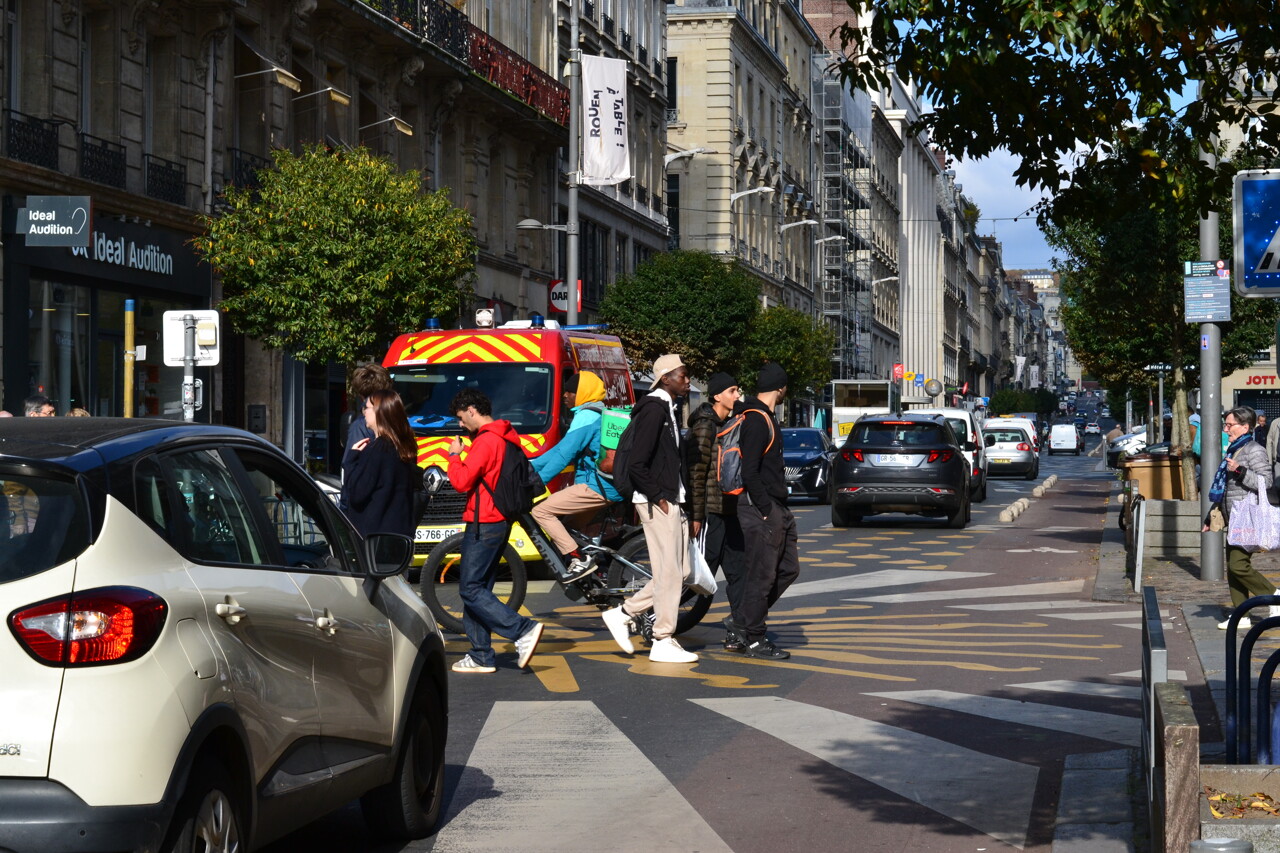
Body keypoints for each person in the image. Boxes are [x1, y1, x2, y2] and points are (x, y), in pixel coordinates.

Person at [600, 354, 697, 664]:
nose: (688, 380)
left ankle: (624, 613)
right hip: (658, 501)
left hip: (670, 498)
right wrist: (659, 496)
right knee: (669, 572)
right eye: (683, 375)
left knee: (680, 571)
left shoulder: (667, 408)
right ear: (666, 378)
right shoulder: (654, 410)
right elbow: (639, 463)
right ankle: (662, 638)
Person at [445, 388, 544, 673]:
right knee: (479, 587)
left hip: (484, 520)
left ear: (472, 410)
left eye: (462, 418)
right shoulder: (505, 435)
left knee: (471, 588)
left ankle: (522, 629)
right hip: (499, 519)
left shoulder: (486, 442)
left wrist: (454, 456)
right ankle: (480, 655)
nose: (461, 424)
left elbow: (462, 481)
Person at [735, 362, 800, 659]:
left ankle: (743, 622)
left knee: (788, 569)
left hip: (776, 505)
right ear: (780, 388)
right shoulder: (757, 420)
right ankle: (754, 637)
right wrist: (765, 510)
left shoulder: (766, 417)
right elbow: (749, 470)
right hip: (762, 507)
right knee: (762, 576)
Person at [530, 371, 621, 582]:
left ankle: (579, 560)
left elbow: (564, 455)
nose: (565, 395)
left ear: (582, 393)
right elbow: (559, 450)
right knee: (567, 529)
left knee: (541, 511)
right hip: (602, 485)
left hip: (597, 486)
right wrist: (530, 467)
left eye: (570, 391)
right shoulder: (595, 413)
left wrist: (536, 483)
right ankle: (599, 569)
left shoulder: (587, 416)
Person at [685, 372, 748, 651]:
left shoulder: (727, 423)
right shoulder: (706, 425)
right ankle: (651, 615)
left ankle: (739, 630)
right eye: (733, 391)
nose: (737, 396)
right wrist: (696, 516)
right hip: (710, 512)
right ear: (717, 395)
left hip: (728, 510)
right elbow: (696, 473)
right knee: (699, 575)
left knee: (737, 572)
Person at [1206, 406, 1279, 629]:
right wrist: (1213, 515)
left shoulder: (1253, 450)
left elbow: (1265, 482)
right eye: (1226, 424)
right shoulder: (1235, 449)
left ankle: (1273, 595)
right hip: (1234, 515)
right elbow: (1225, 487)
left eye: (1230, 425)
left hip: (1247, 516)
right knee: (1233, 567)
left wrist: (1240, 471)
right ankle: (1242, 615)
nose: (1226, 429)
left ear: (1245, 427)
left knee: (1238, 566)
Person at [341, 390, 420, 538]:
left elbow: (357, 493)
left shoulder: (376, 450)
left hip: (375, 539)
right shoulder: (402, 447)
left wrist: (351, 460)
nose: (364, 412)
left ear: (380, 412)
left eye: (368, 407)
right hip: (399, 535)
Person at [341, 364, 395, 511]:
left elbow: (352, 476)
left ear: (360, 394)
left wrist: (345, 507)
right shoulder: (399, 424)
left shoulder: (360, 426)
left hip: (365, 510)